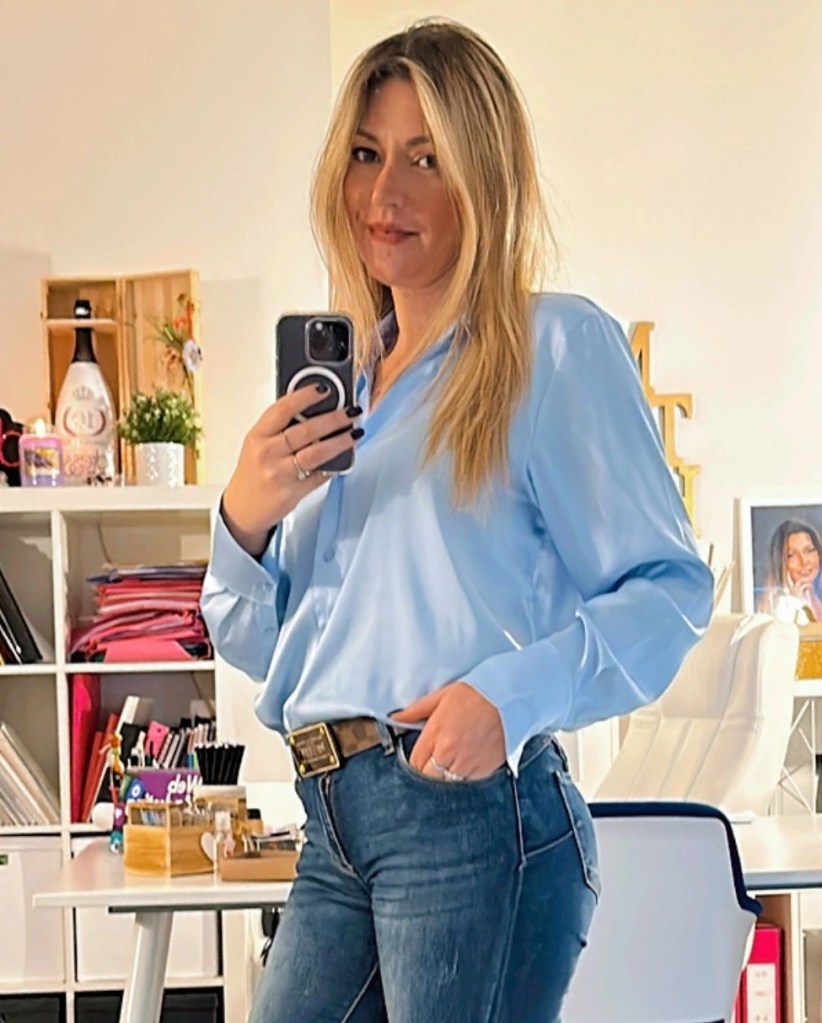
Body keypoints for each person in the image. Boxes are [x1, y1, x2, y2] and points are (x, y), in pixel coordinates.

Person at [201, 19, 714, 1023]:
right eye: (366, 154)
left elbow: (669, 592)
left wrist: (506, 698)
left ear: (484, 178)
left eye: (425, 158)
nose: (384, 194)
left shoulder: (550, 347)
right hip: (330, 819)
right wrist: (245, 519)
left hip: (468, 818)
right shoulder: (343, 386)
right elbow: (262, 644)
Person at [759, 519, 822, 623]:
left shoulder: (816, 595)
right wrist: (793, 603)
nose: (804, 561)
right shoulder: (782, 606)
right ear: (780, 562)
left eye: (809, 550)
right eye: (791, 555)